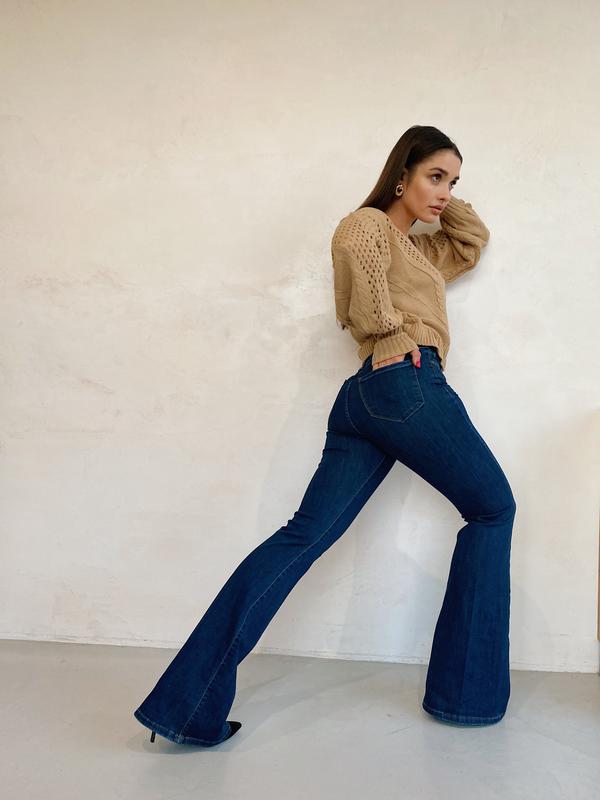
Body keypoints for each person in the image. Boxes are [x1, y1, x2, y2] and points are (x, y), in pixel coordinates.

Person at [133, 124, 516, 746]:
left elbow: (470, 243)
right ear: (400, 175)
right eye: (434, 176)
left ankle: (185, 707)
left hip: (369, 398)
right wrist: (394, 336)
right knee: (494, 509)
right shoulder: (366, 225)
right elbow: (366, 291)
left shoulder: (418, 251)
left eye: (453, 181)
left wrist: (442, 195)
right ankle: (465, 697)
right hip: (404, 383)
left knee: (301, 536)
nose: (445, 192)